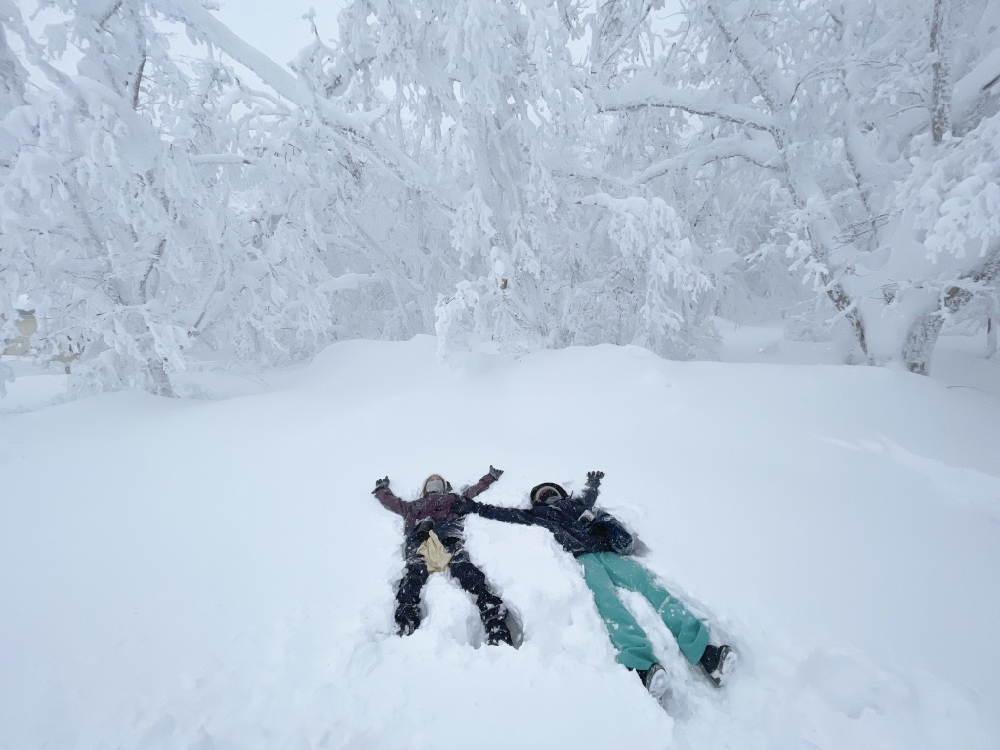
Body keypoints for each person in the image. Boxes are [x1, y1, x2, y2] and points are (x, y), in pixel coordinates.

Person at [464, 470, 734, 700]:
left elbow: (590, 498)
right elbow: (508, 514)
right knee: (610, 606)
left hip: (609, 554)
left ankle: (706, 652)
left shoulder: (578, 505)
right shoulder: (539, 516)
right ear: (536, 502)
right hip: (585, 561)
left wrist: (592, 485)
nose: (548, 496)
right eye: (542, 495)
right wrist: (474, 507)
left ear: (561, 492)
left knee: (654, 590)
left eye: (551, 491)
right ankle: (642, 665)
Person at [371, 467, 516, 646]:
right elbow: (392, 502)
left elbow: (475, 489)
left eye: (437, 483)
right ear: (425, 489)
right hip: (420, 544)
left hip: (449, 541)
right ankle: (405, 625)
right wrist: (381, 490)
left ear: (444, 487)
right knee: (412, 580)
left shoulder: (454, 499)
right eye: (430, 483)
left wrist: (489, 477)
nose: (434, 486)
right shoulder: (414, 506)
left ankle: (495, 623)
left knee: (470, 576)